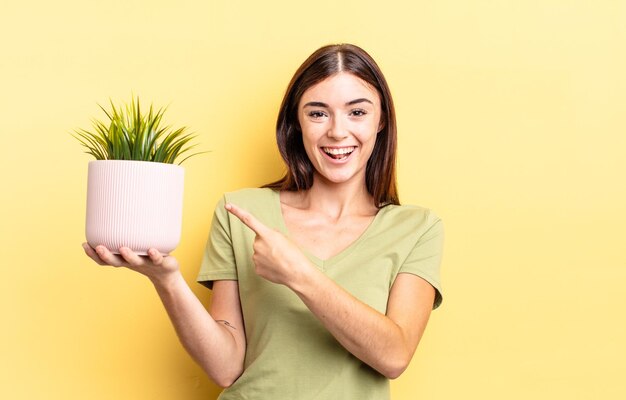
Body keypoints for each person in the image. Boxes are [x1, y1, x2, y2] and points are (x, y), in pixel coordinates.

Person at [83, 43, 444, 399]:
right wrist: (167, 280)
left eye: (357, 112)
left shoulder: (416, 228)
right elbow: (225, 367)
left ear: (381, 121)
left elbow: (394, 355)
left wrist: (298, 274)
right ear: (296, 124)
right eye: (317, 113)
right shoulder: (241, 213)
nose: (336, 131)